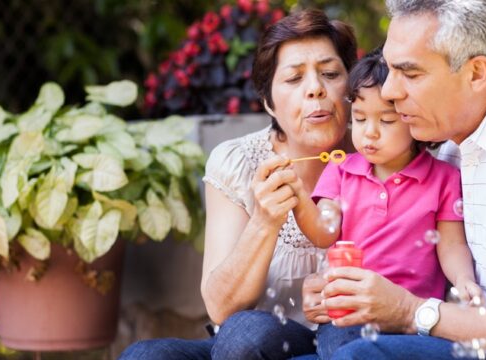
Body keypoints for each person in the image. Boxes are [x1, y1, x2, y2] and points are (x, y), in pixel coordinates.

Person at [301, 1, 486, 359]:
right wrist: (339, 290)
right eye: (390, 70)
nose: (389, 91)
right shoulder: (447, 140)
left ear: (476, 73)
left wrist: (408, 311)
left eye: (411, 73)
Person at [118, 9, 358, 360]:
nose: (315, 90)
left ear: (352, 86)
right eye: (294, 79)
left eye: (331, 74)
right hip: (245, 348)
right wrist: (264, 222)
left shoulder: (380, 156)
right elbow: (220, 308)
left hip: (344, 341)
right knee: (148, 356)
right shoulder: (238, 162)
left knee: (248, 334)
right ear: (268, 103)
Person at [291, 48, 482, 359]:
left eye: (387, 120)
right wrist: (298, 196)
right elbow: (325, 231)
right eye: (360, 118)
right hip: (349, 311)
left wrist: (464, 280)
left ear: (412, 117)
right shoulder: (341, 170)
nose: (370, 132)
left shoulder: (443, 178)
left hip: (409, 318)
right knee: (346, 342)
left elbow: (451, 245)